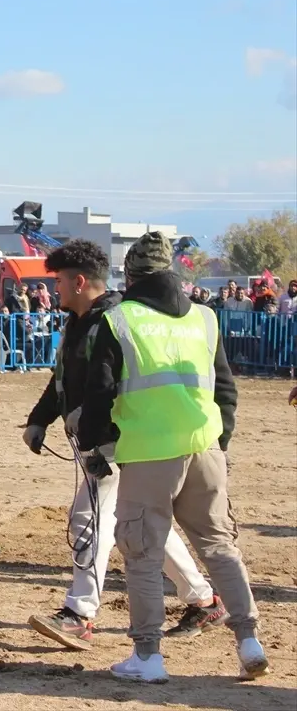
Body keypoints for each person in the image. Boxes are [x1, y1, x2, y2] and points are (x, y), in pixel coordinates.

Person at [77, 231, 267, 683]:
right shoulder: (204, 317)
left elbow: (98, 393)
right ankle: (249, 641)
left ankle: (147, 656)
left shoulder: (120, 320)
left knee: (142, 553)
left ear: (133, 273)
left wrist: (95, 447)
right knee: (220, 547)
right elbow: (225, 387)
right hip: (205, 445)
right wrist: (221, 440)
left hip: (149, 454)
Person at [22, 240, 223, 651]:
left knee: (90, 517)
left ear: (79, 282)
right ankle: (203, 599)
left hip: (119, 440)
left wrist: (100, 440)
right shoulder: (78, 321)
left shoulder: (114, 320)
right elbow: (63, 378)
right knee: (143, 523)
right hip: (109, 439)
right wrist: (40, 419)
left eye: (58, 281)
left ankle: (79, 613)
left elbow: (109, 388)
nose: (54, 289)